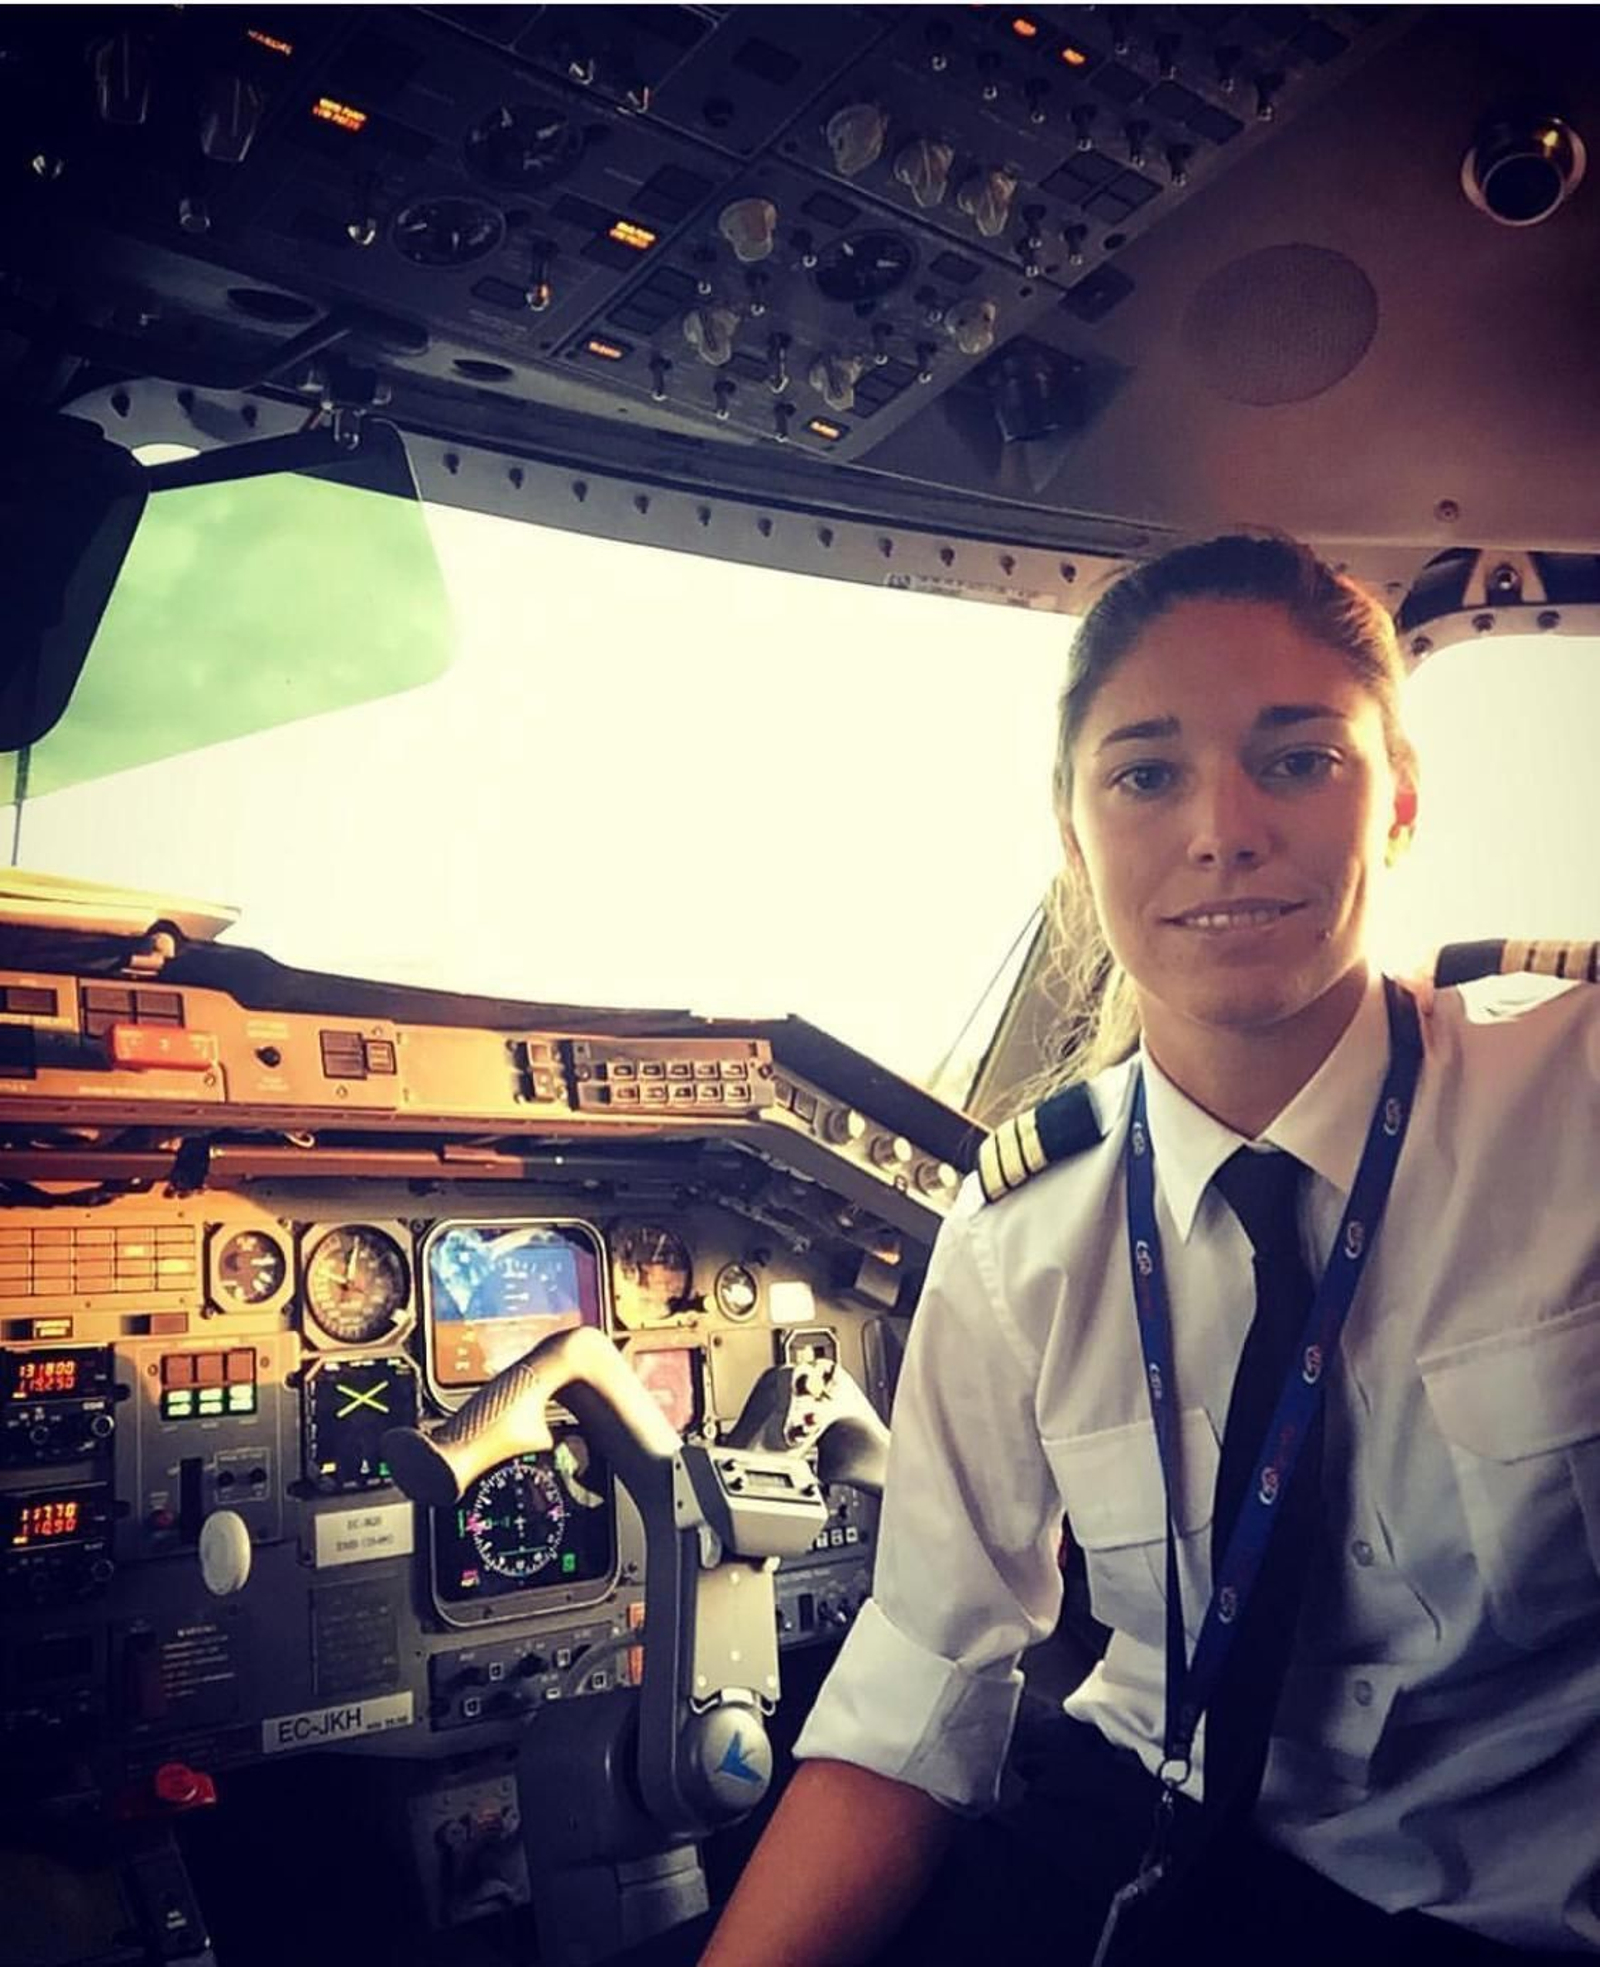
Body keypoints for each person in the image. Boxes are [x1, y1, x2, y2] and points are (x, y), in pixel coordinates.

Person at [619, 535, 1600, 1966]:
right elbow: (925, 1674)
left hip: (1502, 1912)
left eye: (1297, 759)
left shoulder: (1573, 1100)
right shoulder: (1027, 1233)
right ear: (1075, 835)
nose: (1221, 828)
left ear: (1396, 804)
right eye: (1146, 773)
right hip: (1147, 1830)